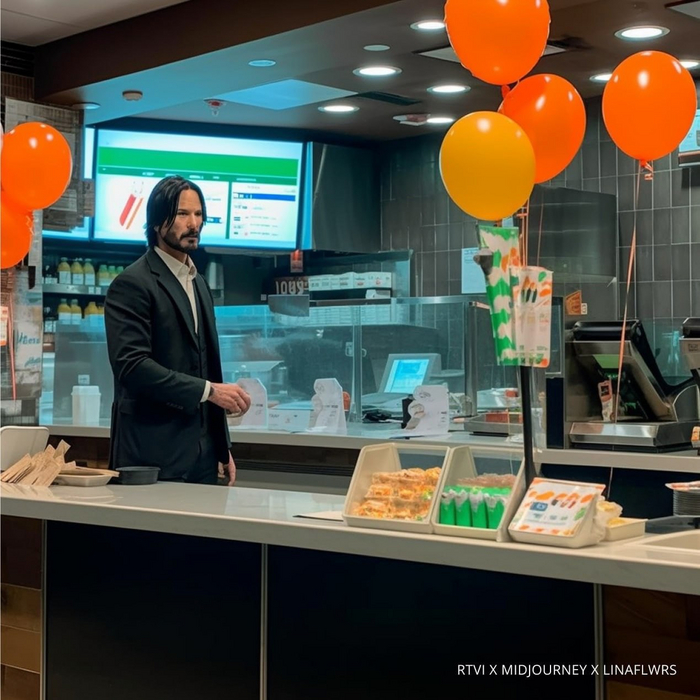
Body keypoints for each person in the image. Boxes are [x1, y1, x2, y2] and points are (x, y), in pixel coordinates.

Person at [104, 175, 251, 485]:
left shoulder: (199, 283)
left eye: (198, 214)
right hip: (150, 455)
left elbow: (208, 365)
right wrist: (210, 391)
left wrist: (222, 446)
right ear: (158, 223)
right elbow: (131, 366)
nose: (193, 224)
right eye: (182, 214)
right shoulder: (132, 283)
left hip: (204, 455)